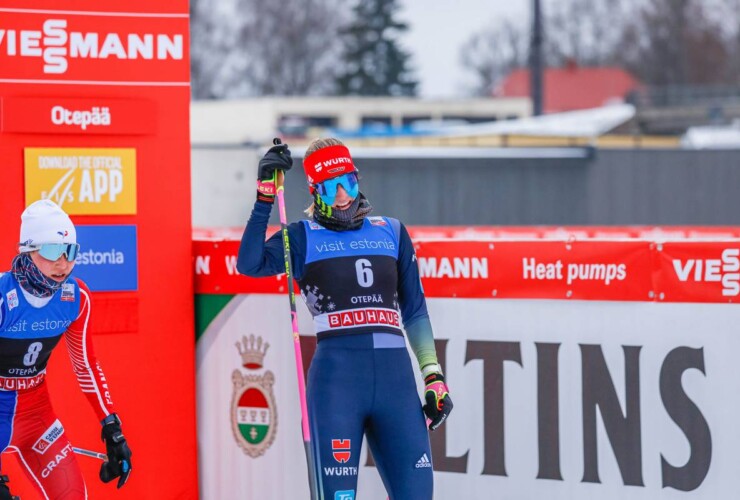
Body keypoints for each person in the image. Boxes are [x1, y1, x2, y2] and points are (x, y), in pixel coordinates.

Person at [237, 138, 453, 499]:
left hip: (395, 387)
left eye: (348, 183)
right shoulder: (301, 236)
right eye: (329, 186)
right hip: (337, 387)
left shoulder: (392, 232)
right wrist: (264, 198)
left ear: (357, 178)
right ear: (313, 190)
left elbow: (414, 311)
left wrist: (433, 377)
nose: (341, 196)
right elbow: (250, 263)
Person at [0, 200, 132, 499]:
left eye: (70, 250)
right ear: (28, 251)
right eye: (51, 251)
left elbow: (86, 366)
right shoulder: (3, 296)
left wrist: (111, 427)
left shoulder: (76, 297)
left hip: (35, 415)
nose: (63, 262)